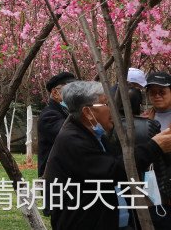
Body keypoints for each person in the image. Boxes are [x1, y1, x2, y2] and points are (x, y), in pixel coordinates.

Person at [45, 80, 171, 229]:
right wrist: (155, 147)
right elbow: (113, 171)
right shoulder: (73, 140)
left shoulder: (96, 136)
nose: (113, 109)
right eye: (107, 104)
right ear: (88, 112)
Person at [107, 85, 171, 230]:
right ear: (140, 105)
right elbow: (164, 160)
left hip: (119, 193)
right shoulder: (151, 125)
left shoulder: (108, 129)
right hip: (150, 194)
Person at [38, 71, 75, 178]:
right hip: (56, 181)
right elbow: (69, 135)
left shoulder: (65, 112)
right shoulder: (48, 116)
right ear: (55, 93)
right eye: (70, 89)